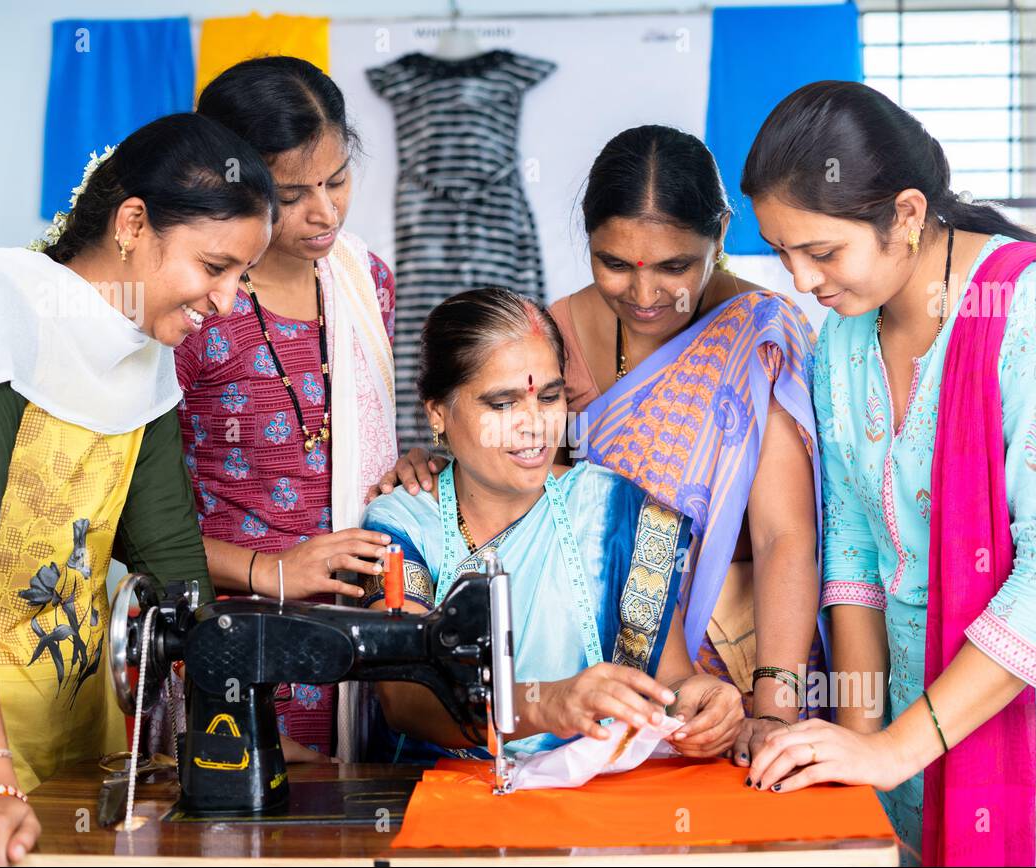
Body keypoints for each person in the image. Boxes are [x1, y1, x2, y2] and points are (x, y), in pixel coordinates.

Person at [743, 80, 1036, 866]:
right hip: (906, 745)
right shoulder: (845, 341)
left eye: (820, 251)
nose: (800, 282)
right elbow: (853, 561)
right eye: (782, 253)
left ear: (906, 215)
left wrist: (893, 750)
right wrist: (860, 750)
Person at [0, 113, 277, 866]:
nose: (227, 303)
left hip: (79, 729)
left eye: (241, 278)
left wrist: (228, 728)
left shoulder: (146, 354)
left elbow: (171, 559)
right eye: (214, 266)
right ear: (134, 223)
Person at [377, 127, 826, 768]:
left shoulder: (759, 338)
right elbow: (527, 495)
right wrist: (438, 463)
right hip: (587, 676)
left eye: (675, 266)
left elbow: (786, 538)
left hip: (746, 657)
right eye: (615, 264)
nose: (645, 296)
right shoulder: (554, 332)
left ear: (721, 235)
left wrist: (771, 709)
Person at [360, 288, 743, 759]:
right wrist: (548, 703)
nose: (535, 424)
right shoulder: (399, 525)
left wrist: (699, 705)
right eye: (502, 404)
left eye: (550, 396)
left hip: (589, 804)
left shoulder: (613, 509)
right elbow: (404, 699)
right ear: (437, 412)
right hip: (432, 803)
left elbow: (672, 683)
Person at [183, 57, 399, 760]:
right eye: (294, 192)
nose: (326, 212)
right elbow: (134, 520)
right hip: (233, 646)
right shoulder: (193, 308)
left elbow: (361, 444)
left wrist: (414, 466)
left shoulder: (366, 283)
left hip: (358, 645)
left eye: (337, 180)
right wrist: (273, 571)